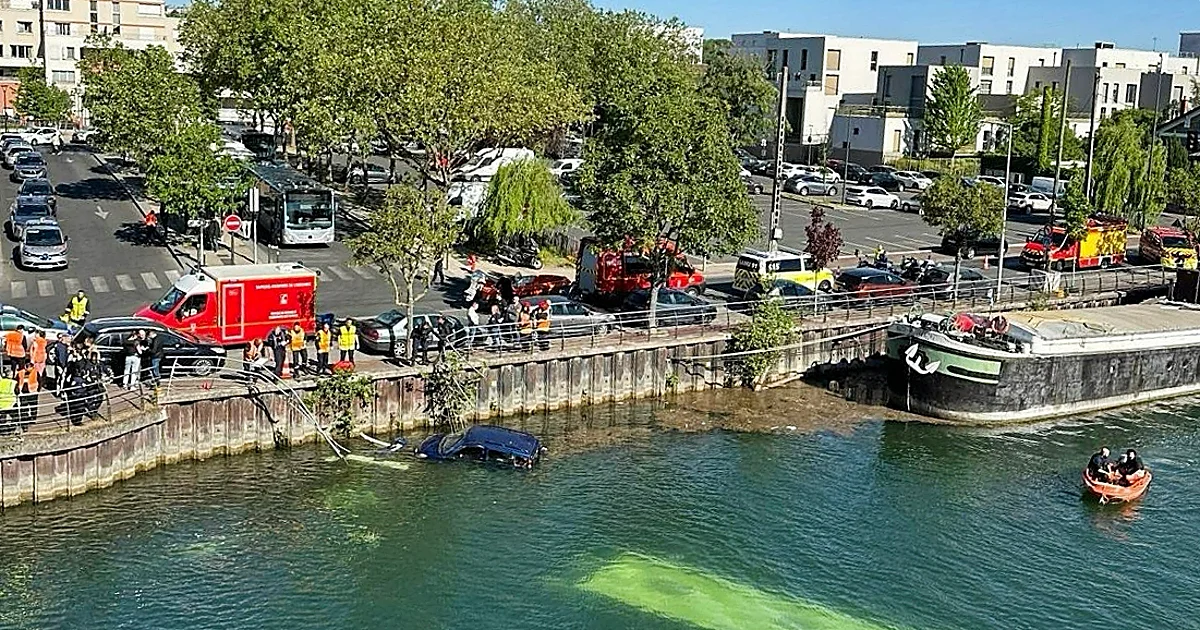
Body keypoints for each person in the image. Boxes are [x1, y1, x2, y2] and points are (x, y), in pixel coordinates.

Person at [17, 360, 38, 427]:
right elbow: (17, 380)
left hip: (33, 392)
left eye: (29, 366)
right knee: (24, 409)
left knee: (33, 407)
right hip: (23, 393)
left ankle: (33, 419)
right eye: (27, 366)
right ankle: (25, 423)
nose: (28, 367)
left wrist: (38, 389)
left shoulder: (35, 372)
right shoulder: (21, 372)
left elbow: (40, 380)